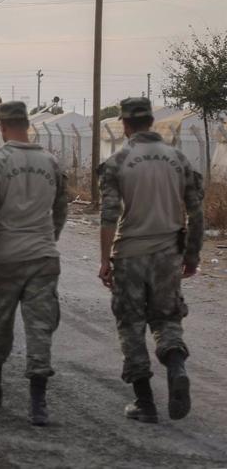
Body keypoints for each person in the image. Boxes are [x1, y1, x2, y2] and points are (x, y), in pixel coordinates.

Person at [98, 97, 204, 424]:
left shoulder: (118, 161)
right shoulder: (179, 159)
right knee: (167, 318)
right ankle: (175, 365)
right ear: (151, 122)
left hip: (130, 254)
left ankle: (145, 402)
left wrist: (105, 261)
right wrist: (191, 255)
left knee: (131, 324)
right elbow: (197, 213)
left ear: (126, 124)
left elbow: (109, 216)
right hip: (169, 254)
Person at [0, 101, 67, 427]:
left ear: (2, 126)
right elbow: (61, 211)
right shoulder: (51, 162)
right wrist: (46, 239)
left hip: (7, 258)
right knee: (40, 329)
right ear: (27, 124)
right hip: (43, 257)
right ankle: (38, 405)